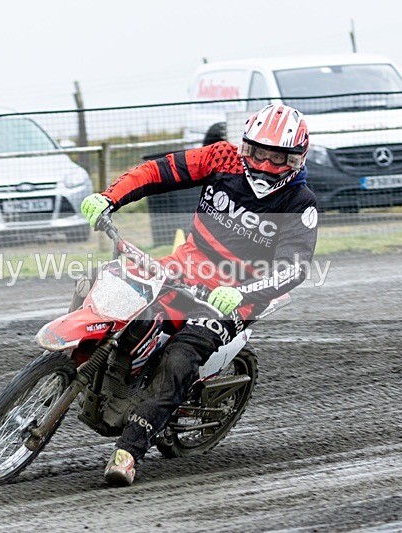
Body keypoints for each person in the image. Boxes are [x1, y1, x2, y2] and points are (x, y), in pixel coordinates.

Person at [80, 104, 319, 486]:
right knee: (102, 283)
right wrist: (110, 198)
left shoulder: (299, 204)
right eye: (258, 152)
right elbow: (157, 171)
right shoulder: (220, 158)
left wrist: (240, 291)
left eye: (277, 157)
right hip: (184, 266)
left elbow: (294, 268)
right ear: (245, 146)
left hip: (236, 298)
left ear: (296, 159)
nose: (265, 164)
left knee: (180, 358)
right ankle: (78, 367)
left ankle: (128, 452)